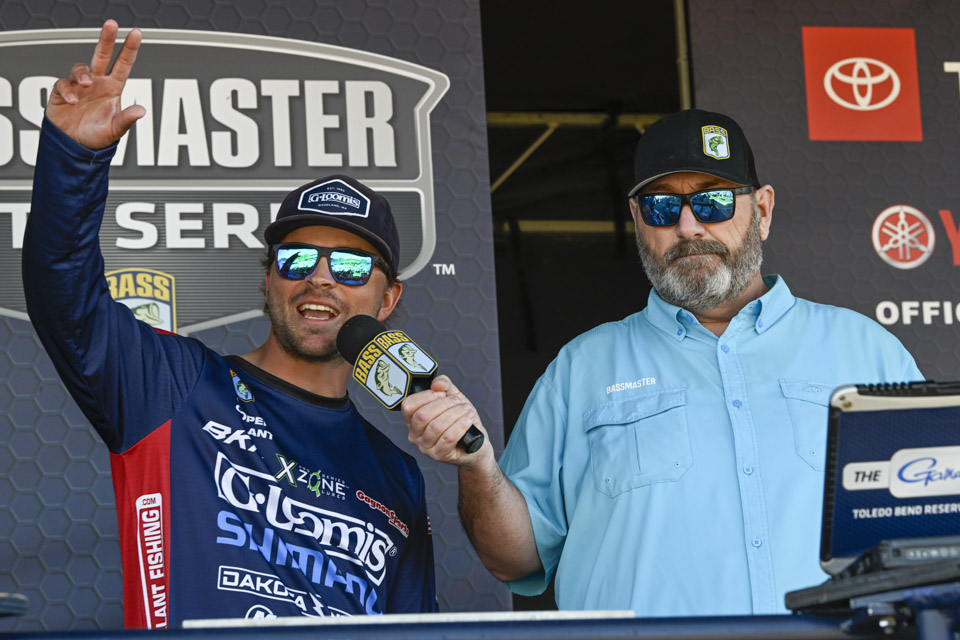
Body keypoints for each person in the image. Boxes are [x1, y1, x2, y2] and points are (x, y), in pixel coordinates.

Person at [402, 108, 924, 616]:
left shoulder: (867, 350)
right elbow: (513, 558)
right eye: (661, 207)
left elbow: (933, 521)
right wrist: (477, 465)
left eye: (714, 202)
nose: (688, 226)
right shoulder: (581, 369)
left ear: (762, 211)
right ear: (637, 219)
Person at [23, 21, 437, 627]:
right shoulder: (172, 385)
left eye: (350, 266)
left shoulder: (397, 474)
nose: (321, 278)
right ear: (268, 279)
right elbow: (63, 294)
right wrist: (74, 160)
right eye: (297, 259)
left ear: (387, 298)